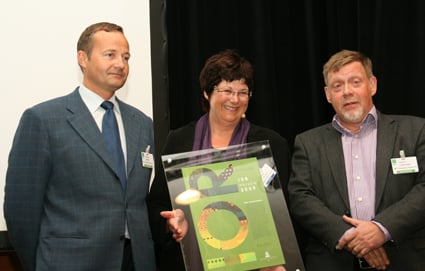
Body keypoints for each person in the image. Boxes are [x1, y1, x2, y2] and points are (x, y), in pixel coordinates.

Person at [4, 22, 156, 271]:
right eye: (110, 55)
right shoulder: (43, 120)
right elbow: (20, 211)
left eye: (126, 57)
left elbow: (136, 202)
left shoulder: (142, 124)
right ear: (82, 58)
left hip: (136, 262)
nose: (120, 63)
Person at [148, 49, 291, 271]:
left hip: (255, 264)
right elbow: (156, 203)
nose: (235, 99)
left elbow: (283, 211)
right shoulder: (179, 141)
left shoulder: (270, 144)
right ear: (207, 93)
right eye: (226, 90)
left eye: (243, 92)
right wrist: (170, 224)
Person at [288, 49, 425, 271]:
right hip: (333, 262)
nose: (347, 92)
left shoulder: (415, 131)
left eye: (355, 82)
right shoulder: (308, 142)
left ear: (372, 85)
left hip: (404, 260)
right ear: (328, 94)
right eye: (337, 86)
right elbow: (300, 198)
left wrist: (381, 229)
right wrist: (352, 236)